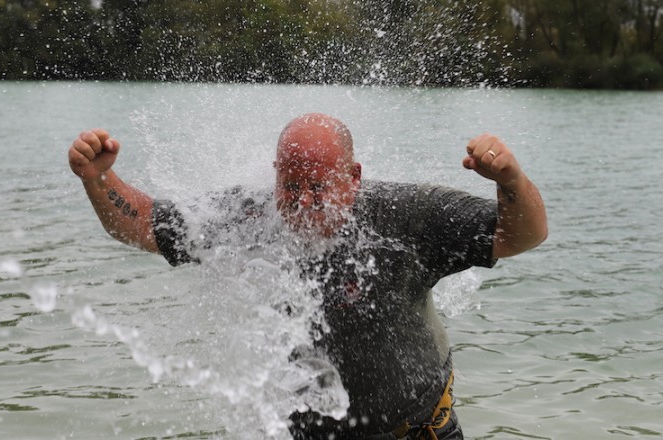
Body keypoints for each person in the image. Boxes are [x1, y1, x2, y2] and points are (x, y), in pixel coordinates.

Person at [68, 113, 547, 439]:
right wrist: (98, 178)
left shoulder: (409, 218)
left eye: (320, 186)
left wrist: (510, 182)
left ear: (354, 176)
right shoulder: (249, 219)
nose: (303, 202)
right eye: (290, 185)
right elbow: (145, 224)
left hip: (418, 429)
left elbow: (520, 236)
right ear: (276, 173)